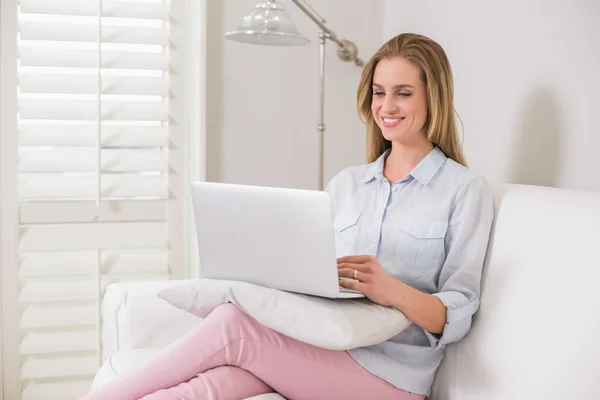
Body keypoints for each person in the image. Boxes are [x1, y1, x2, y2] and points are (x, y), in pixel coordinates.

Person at [81, 32, 494, 400]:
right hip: (320, 347)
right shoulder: (345, 185)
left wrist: (392, 291)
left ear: (432, 97)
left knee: (232, 324)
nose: (386, 106)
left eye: (403, 93)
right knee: (213, 385)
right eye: (379, 92)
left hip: (391, 376)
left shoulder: (463, 190)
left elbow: (459, 311)